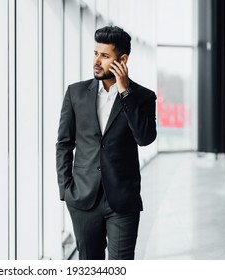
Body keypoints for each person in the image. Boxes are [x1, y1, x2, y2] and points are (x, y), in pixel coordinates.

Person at [56, 26, 157, 260]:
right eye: (95, 54)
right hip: (82, 198)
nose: (97, 61)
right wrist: (66, 189)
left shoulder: (143, 97)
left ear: (122, 60)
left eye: (105, 55)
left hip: (122, 200)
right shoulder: (75, 93)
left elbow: (145, 138)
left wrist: (125, 93)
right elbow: (63, 144)